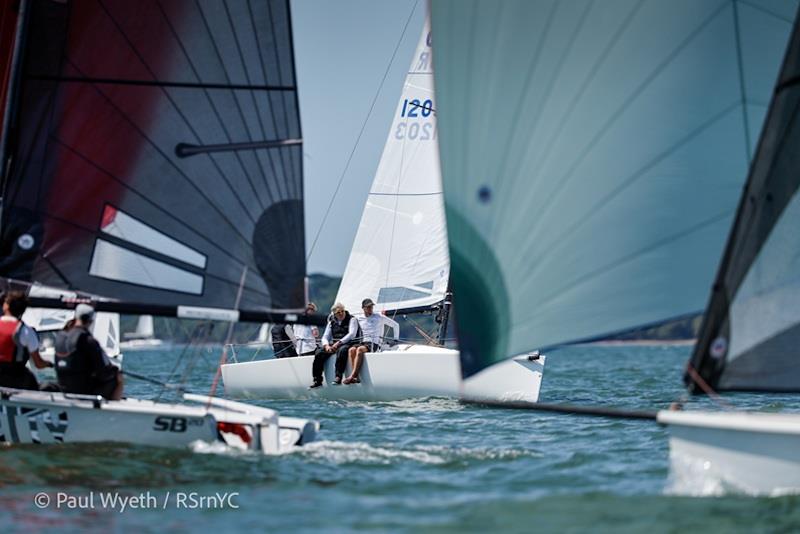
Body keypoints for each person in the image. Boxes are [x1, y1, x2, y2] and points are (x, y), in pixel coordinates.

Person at [54, 303, 123, 400]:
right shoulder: (89, 341)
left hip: (64, 389)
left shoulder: (60, 337)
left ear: (76, 316)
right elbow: (102, 373)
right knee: (118, 378)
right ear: (91, 320)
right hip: (84, 392)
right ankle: (113, 410)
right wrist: (115, 371)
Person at [0, 291, 52, 390]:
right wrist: (49, 364)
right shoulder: (26, 331)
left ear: (6, 306)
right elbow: (38, 364)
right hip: (15, 378)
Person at [309, 302, 360, 388]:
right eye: (338, 312)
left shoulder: (352, 319)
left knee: (342, 350)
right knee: (319, 352)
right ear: (334, 314)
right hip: (334, 344)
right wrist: (326, 346)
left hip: (349, 343)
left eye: (342, 311)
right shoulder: (331, 322)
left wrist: (339, 343)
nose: (341, 314)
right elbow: (325, 337)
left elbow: (352, 334)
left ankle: (338, 377)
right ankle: (317, 380)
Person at [344, 298, 385, 385]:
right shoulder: (358, 318)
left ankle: (353, 376)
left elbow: (395, 325)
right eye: (368, 307)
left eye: (371, 307)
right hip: (363, 342)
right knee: (351, 350)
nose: (371, 308)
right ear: (363, 308)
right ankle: (357, 378)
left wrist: (395, 338)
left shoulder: (379, 316)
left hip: (373, 343)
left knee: (359, 350)